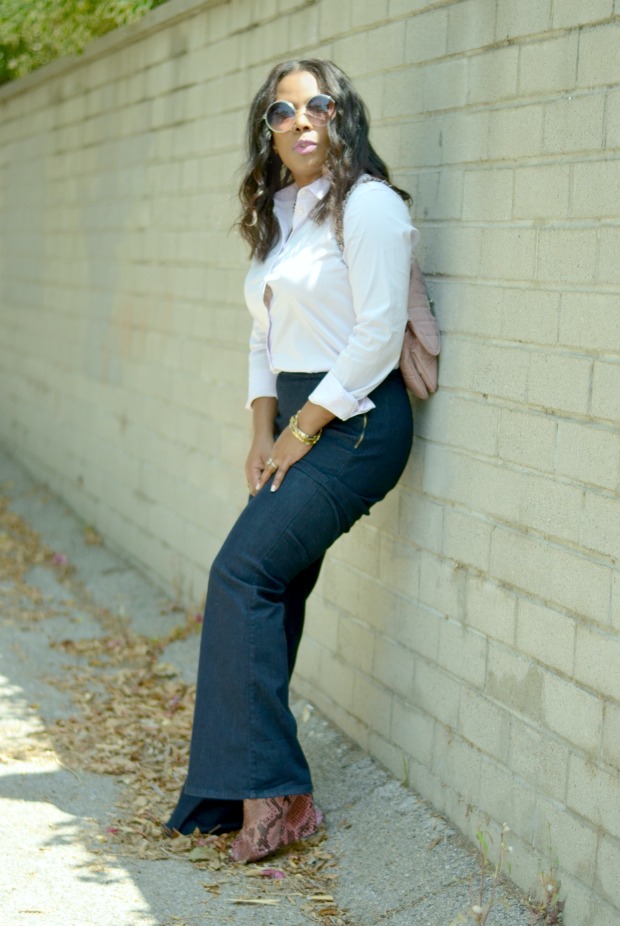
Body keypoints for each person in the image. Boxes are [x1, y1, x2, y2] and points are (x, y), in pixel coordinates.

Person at [165, 59, 417, 862]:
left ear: (344, 115)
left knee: (241, 575)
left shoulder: (370, 208)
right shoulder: (282, 216)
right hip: (298, 416)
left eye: (318, 104)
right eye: (283, 109)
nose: (301, 119)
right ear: (268, 131)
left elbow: (378, 336)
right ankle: (253, 791)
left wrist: (300, 431)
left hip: (359, 423)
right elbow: (263, 338)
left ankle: (273, 793)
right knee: (271, 584)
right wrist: (259, 431)